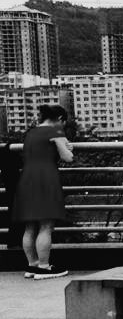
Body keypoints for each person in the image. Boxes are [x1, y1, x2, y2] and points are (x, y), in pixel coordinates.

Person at [13, 104, 73, 280]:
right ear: (60, 119)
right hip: (46, 178)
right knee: (46, 225)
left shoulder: (31, 133)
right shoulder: (55, 131)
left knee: (30, 226)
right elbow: (68, 157)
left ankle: (32, 265)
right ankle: (44, 267)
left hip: (27, 178)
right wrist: (65, 146)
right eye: (63, 123)